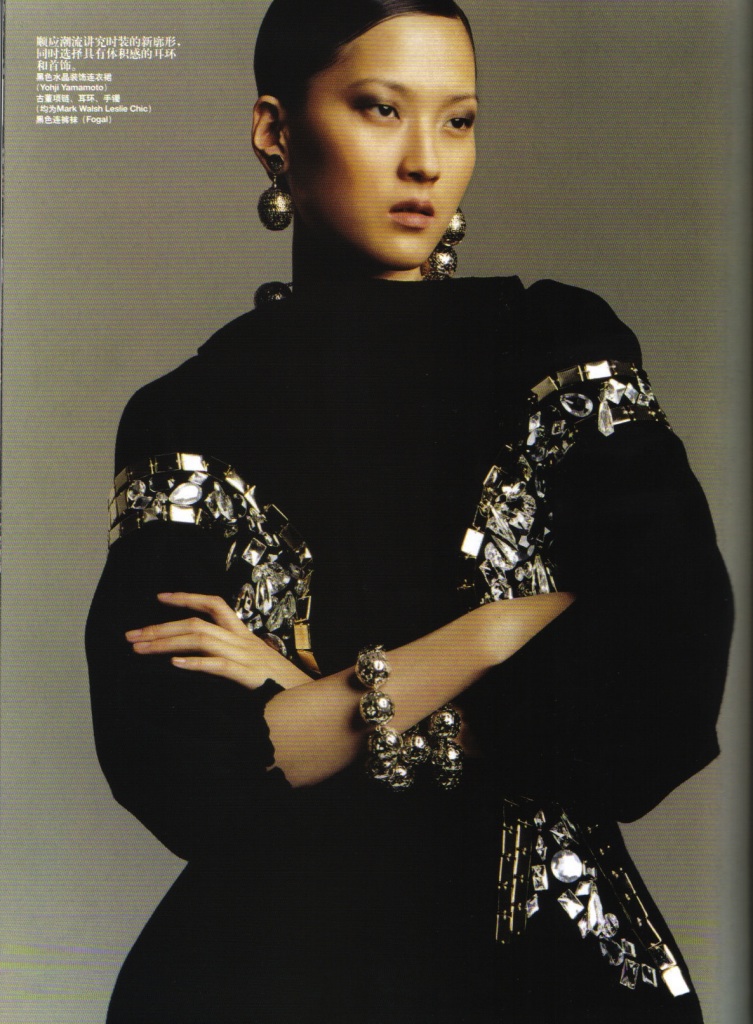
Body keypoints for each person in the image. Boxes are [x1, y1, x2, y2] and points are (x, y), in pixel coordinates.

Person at [85, 1, 733, 1021]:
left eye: (458, 120)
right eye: (381, 109)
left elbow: (661, 688)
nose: (427, 161)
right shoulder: (189, 411)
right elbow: (178, 765)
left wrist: (313, 702)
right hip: (263, 980)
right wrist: (498, 632)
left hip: (541, 981)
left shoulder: (555, 347)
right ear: (274, 131)